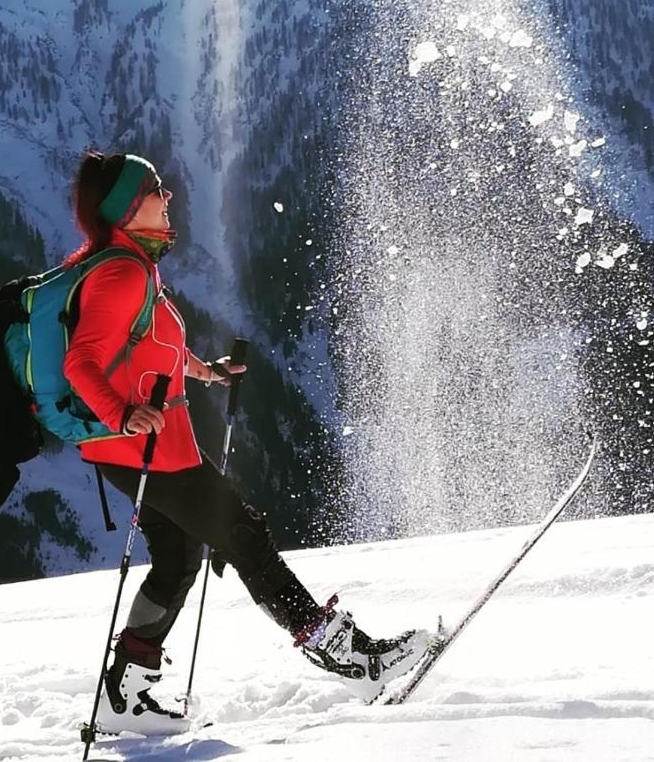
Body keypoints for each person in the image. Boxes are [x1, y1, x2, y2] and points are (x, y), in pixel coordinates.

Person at [61, 151, 428, 733]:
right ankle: (357, 661)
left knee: (178, 561)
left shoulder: (129, 266)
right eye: (156, 188)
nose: (168, 195)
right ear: (129, 207)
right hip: (146, 449)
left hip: (133, 452)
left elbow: (144, 349)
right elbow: (82, 361)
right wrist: (125, 413)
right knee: (242, 533)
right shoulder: (121, 272)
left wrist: (202, 372)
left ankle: (123, 697)